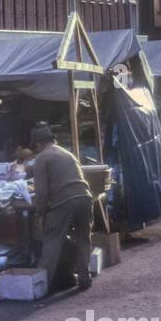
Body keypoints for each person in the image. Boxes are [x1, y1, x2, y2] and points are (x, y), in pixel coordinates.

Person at [27, 124, 93, 292]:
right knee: (83, 239)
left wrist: (40, 213)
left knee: (52, 241)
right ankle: (84, 278)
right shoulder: (67, 153)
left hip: (65, 200)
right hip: (85, 197)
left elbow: (41, 192)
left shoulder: (42, 158)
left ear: (38, 144)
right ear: (53, 140)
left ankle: (42, 286)